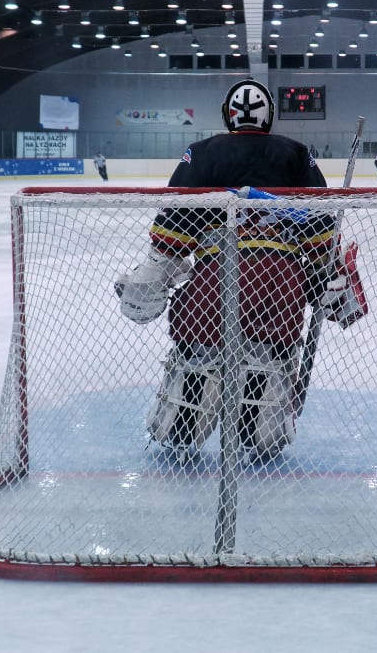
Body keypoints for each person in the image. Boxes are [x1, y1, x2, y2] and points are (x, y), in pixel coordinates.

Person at [114, 78, 357, 464]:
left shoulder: (201, 152)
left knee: (196, 362)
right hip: (278, 285)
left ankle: (181, 433)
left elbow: (172, 236)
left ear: (228, 113)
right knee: (266, 365)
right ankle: (256, 435)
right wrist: (328, 281)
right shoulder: (297, 154)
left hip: (212, 281)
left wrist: (147, 283)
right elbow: (320, 238)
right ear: (269, 117)